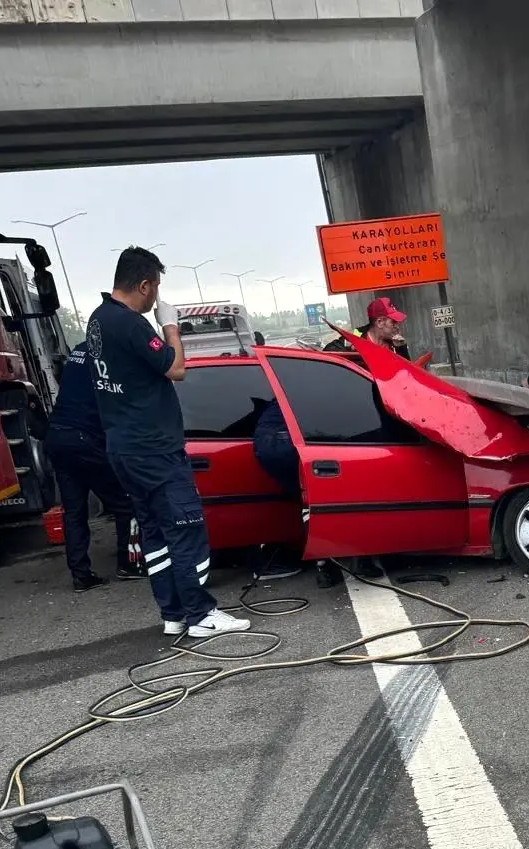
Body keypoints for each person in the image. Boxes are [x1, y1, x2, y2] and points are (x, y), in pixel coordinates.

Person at [87, 246, 250, 639]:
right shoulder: (129, 324)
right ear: (144, 284)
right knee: (185, 526)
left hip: (124, 447)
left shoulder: (98, 320)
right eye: (155, 288)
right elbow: (176, 368)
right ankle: (200, 613)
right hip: (154, 448)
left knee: (156, 533)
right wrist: (170, 327)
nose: (156, 297)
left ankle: (173, 613)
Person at [43, 340, 146, 591]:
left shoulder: (80, 349)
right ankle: (129, 564)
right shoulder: (111, 354)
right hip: (84, 440)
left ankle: (81, 575)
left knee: (74, 512)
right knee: (126, 503)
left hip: (56, 435)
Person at [251, 396, 343, 588]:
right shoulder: (318, 386)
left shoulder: (289, 386)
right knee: (314, 500)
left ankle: (318, 559)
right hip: (283, 439)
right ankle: (325, 564)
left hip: (265, 442)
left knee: (306, 498)